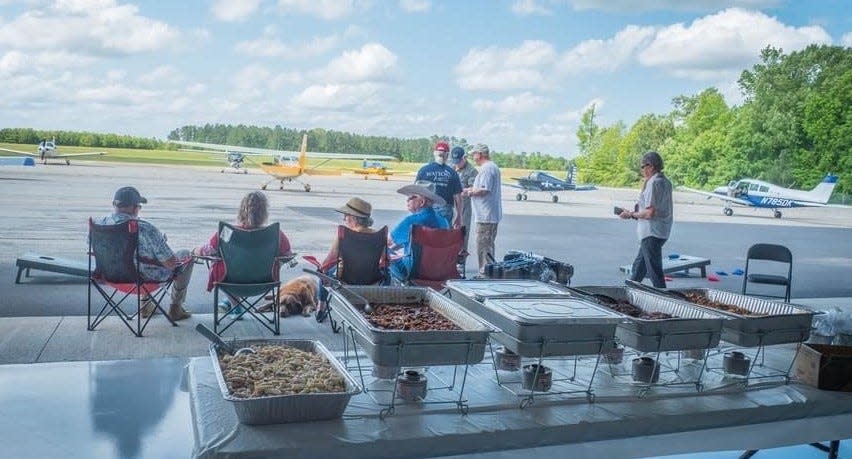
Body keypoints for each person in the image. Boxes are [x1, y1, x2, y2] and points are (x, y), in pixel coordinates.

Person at [95, 186, 194, 321]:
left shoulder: (98, 224)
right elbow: (170, 264)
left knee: (141, 259)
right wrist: (160, 243)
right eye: (139, 206)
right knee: (185, 254)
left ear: (114, 204)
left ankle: (146, 306)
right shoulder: (145, 228)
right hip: (143, 280)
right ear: (135, 208)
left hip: (109, 276)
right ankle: (175, 308)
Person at [194, 191, 293, 313]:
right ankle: (233, 302)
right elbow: (288, 255)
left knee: (219, 266)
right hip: (265, 281)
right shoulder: (275, 234)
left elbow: (207, 251)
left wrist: (195, 251)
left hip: (230, 281)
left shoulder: (227, 232)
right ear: (264, 213)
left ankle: (236, 304)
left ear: (241, 211)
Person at [315, 197, 377, 323]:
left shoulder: (344, 234)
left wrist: (321, 269)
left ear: (354, 218)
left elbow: (331, 258)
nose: (344, 219)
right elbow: (384, 260)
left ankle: (320, 308)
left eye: (346, 216)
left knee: (323, 273)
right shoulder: (378, 235)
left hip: (345, 278)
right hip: (372, 279)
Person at [619, 151, 673, 288]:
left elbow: (649, 213)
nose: (642, 170)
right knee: (638, 269)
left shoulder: (653, 183)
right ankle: (628, 292)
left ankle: (664, 300)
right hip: (661, 231)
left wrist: (631, 214)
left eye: (643, 166)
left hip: (651, 233)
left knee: (655, 273)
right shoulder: (665, 182)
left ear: (651, 166)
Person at [388, 180, 449, 280]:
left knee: (383, 250)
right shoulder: (444, 221)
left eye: (412, 197)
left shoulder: (411, 221)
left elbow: (388, 242)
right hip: (439, 271)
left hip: (414, 271)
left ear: (422, 202)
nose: (407, 200)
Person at [462, 144, 502, 276]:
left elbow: (484, 189)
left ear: (479, 154)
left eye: (474, 154)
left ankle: (484, 274)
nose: (473, 157)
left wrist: (469, 192)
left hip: (486, 216)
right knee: (488, 246)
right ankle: (488, 272)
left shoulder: (487, 169)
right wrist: (471, 189)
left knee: (483, 246)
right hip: (489, 215)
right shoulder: (492, 167)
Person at [415, 140, 463, 227]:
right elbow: (458, 197)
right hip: (445, 208)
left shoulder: (424, 170)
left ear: (434, 153)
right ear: (447, 155)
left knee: (425, 234)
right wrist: (459, 216)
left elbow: (416, 191)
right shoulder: (452, 173)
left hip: (426, 206)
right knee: (442, 236)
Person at [451, 145, 478, 255]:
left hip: (464, 206)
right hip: (451, 205)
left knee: (462, 232)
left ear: (464, 158)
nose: (457, 163)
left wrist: (462, 191)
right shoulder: (451, 168)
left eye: (459, 161)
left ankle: (461, 259)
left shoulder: (472, 171)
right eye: (455, 161)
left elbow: (473, 188)